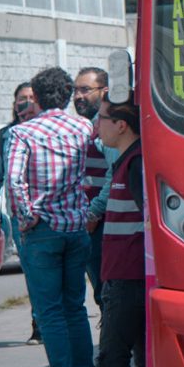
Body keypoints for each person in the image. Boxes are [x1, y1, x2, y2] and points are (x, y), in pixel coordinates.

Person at [8, 67, 98, 367]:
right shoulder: (82, 126)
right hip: (76, 226)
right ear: (65, 94)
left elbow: (15, 182)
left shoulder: (24, 132)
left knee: (49, 312)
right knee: (75, 307)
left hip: (43, 229)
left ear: (39, 96)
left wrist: (27, 217)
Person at [95, 94, 152, 367]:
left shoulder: (136, 163)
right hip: (130, 279)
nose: (96, 126)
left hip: (129, 282)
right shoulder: (131, 160)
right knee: (147, 364)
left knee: (113, 362)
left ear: (121, 124)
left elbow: (150, 221)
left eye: (101, 118)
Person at [0, 81, 43, 344]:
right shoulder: (4, 136)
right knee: (33, 273)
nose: (26, 103)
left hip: (53, 215)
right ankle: (38, 323)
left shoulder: (48, 131)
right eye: (21, 98)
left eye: (31, 98)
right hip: (21, 220)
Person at [73, 67, 117, 312]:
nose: (78, 96)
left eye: (85, 89)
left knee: (106, 293)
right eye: (75, 90)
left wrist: (93, 212)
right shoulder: (88, 127)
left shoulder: (105, 127)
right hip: (91, 222)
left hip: (103, 224)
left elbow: (115, 174)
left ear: (104, 91)